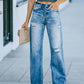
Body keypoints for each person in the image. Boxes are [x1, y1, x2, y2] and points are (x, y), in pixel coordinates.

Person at [22, 0, 67, 84]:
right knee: (35, 52)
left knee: (56, 50)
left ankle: (59, 82)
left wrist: (57, 3)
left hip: (52, 11)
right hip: (37, 12)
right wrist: (26, 21)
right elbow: (31, 1)